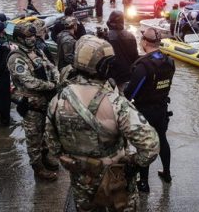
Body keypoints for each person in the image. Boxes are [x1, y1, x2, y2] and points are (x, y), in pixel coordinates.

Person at [45, 35, 159, 211]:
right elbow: (150, 145)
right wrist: (131, 164)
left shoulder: (58, 100)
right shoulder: (117, 103)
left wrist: (72, 160)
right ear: (102, 67)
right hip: (115, 179)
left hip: (81, 180)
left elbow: (51, 142)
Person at [124, 28, 176, 193]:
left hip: (145, 111)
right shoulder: (169, 61)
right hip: (162, 108)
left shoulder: (143, 65)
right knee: (162, 139)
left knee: (145, 145)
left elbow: (131, 92)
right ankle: (167, 173)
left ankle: (144, 183)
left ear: (145, 42)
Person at [7, 23, 59, 181]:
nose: (32, 39)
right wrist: (51, 86)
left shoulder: (36, 50)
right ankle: (38, 168)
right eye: (28, 37)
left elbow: (50, 66)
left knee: (45, 133)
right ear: (19, 39)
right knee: (33, 137)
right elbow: (28, 81)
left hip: (44, 101)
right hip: (31, 104)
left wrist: (56, 78)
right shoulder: (17, 58)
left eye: (33, 36)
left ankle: (45, 158)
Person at [105, 11, 139, 91]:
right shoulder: (131, 36)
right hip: (126, 76)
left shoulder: (107, 36)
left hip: (111, 78)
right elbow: (135, 57)